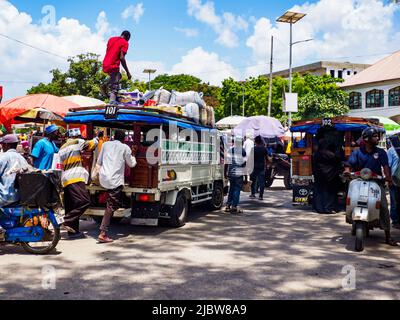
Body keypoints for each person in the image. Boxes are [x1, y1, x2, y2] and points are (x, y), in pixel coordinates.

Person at [344, 127, 397, 246]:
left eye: (377, 136)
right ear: (367, 138)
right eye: (374, 136)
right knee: (351, 197)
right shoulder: (357, 152)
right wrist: (347, 171)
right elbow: (349, 164)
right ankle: (351, 218)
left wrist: (388, 177)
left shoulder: (381, 152)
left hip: (376, 182)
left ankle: (388, 236)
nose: (377, 138)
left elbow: (385, 167)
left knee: (383, 205)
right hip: (358, 180)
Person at [58, 129, 101, 239]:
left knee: (71, 206)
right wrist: (97, 137)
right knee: (85, 202)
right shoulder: (77, 142)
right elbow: (92, 144)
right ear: (76, 136)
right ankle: (66, 220)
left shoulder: (61, 148)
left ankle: (73, 232)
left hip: (65, 179)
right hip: (75, 177)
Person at [97, 129, 137, 243]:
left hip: (103, 179)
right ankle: (103, 232)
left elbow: (99, 162)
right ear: (124, 138)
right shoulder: (125, 147)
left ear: (113, 137)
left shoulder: (105, 144)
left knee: (112, 202)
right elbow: (132, 164)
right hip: (115, 181)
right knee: (111, 205)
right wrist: (133, 154)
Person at [0, 135, 29, 241]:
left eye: (2, 144)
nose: (1, 146)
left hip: (4, 195)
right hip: (19, 196)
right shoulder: (21, 158)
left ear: (7, 144)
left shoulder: (3, 157)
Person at [312, 139, 343, 214]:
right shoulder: (330, 154)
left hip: (319, 176)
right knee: (329, 193)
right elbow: (338, 160)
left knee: (318, 192)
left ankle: (319, 208)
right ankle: (328, 209)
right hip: (329, 177)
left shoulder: (316, 154)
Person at [102, 31, 132, 103]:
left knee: (119, 76)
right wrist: (128, 72)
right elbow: (122, 58)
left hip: (105, 63)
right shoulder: (125, 42)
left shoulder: (111, 39)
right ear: (127, 37)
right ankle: (112, 103)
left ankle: (105, 85)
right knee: (115, 86)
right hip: (113, 66)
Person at [224, 137, 247, 214]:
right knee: (237, 189)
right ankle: (234, 206)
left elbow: (226, 163)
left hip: (231, 173)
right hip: (239, 173)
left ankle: (228, 205)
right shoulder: (243, 151)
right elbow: (244, 164)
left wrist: (225, 173)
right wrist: (246, 177)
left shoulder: (230, 150)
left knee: (231, 189)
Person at [387, 135, 400, 229]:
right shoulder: (391, 151)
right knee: (395, 201)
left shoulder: (391, 150)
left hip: (394, 179)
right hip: (394, 180)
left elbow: (388, 165)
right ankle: (395, 220)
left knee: (395, 201)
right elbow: (388, 166)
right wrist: (389, 179)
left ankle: (396, 220)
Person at [250, 136, 268, 200]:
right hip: (261, 167)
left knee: (253, 181)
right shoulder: (264, 149)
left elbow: (250, 159)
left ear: (256, 141)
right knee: (261, 182)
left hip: (253, 167)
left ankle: (253, 194)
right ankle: (261, 196)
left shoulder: (253, 149)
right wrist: (266, 166)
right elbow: (267, 158)